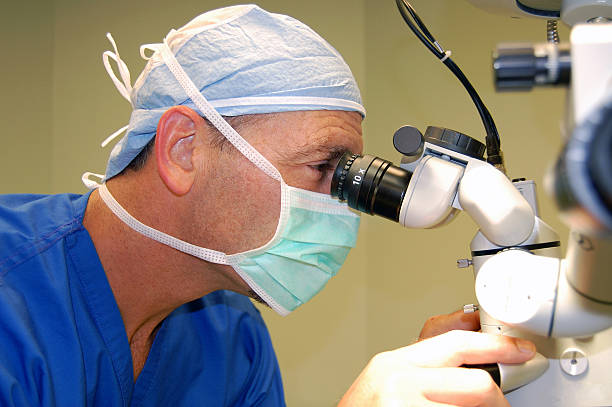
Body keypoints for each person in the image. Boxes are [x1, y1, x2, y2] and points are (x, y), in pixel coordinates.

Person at [0, 5, 536, 406]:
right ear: (183, 150)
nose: (340, 207)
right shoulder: (12, 301)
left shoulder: (232, 337)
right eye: (324, 168)